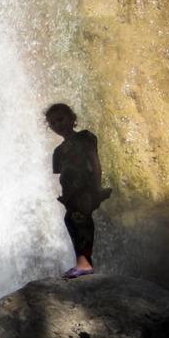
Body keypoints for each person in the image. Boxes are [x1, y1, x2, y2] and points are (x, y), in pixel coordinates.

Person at [46, 103, 112, 279]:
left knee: (81, 220)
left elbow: (94, 162)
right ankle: (82, 262)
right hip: (71, 194)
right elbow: (62, 176)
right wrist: (64, 196)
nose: (57, 125)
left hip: (86, 189)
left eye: (61, 119)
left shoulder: (85, 137)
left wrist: (97, 188)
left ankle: (85, 264)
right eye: (53, 123)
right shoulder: (58, 152)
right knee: (72, 220)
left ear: (72, 118)